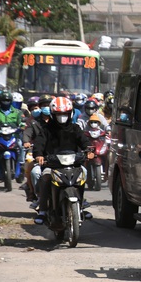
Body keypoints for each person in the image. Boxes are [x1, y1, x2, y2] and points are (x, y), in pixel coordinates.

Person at [32, 96, 94, 225]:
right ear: (53, 114)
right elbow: (39, 144)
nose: (62, 117)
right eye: (59, 114)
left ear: (70, 113)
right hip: (52, 165)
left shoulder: (75, 128)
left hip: (73, 164)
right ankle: (43, 210)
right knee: (46, 177)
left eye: (65, 114)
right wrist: (39, 155)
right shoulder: (47, 129)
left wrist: (89, 151)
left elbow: (84, 142)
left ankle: (81, 205)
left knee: (83, 173)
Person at [0, 90, 25, 177]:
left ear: (11, 101)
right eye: (3, 100)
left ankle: (21, 164)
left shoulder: (18, 112)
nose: (5, 102)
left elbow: (22, 122)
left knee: (21, 145)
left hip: (14, 137)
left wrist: (22, 126)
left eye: (7, 100)